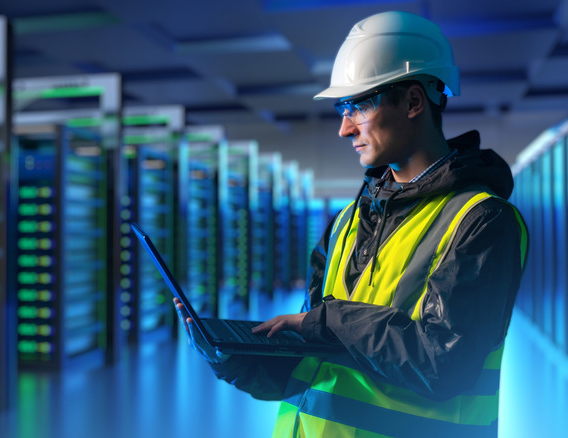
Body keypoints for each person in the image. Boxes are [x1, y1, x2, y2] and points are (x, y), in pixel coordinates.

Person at [174, 10, 528, 438]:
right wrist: (232, 357)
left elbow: (442, 363)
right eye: (344, 108)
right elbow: (316, 365)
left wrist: (329, 320)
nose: (344, 128)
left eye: (357, 105)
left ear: (414, 102)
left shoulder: (481, 220)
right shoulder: (346, 222)